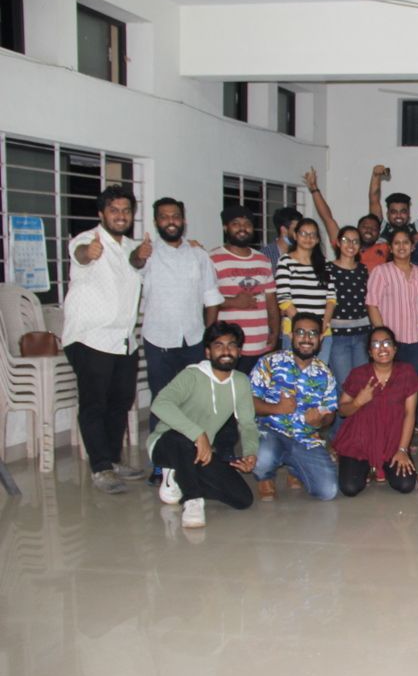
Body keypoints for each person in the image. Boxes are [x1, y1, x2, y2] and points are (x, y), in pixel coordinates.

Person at [63, 185, 145, 493]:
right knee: (94, 404)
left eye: (126, 210)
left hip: (123, 340)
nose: (121, 215)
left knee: (121, 401)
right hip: (90, 338)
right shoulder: (87, 239)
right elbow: (81, 255)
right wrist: (89, 253)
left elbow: (137, 261)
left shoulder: (132, 247)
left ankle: (113, 460)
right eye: (114, 210)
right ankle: (101, 468)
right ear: (101, 214)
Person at [149, 322, 259, 529]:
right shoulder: (192, 375)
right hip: (167, 444)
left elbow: (247, 424)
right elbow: (160, 404)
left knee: (242, 499)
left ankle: (179, 476)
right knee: (181, 439)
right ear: (208, 352)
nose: (226, 351)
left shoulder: (241, 382)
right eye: (219, 345)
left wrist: (250, 453)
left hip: (200, 452)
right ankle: (192, 500)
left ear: (239, 351)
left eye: (231, 345)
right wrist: (198, 434)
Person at [136, 197, 223, 445]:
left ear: (183, 220)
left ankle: (195, 453)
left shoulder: (198, 255)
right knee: (162, 400)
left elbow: (211, 297)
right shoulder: (148, 254)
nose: (171, 221)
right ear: (156, 222)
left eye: (175, 216)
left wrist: (208, 334)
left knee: (196, 400)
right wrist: (139, 256)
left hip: (194, 339)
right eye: (164, 217)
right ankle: (159, 456)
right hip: (158, 340)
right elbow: (135, 265)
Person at [249, 313, 339, 501]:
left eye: (312, 333)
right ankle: (265, 476)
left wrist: (320, 422)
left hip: (305, 438)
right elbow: (248, 402)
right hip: (271, 431)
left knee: (328, 491)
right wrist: (277, 408)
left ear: (321, 338)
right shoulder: (270, 362)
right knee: (263, 458)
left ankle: (295, 468)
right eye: (300, 332)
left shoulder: (325, 373)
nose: (306, 339)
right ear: (291, 335)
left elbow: (330, 412)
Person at [332, 326, 418, 496]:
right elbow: (342, 410)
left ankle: (379, 467)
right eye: (376, 344)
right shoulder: (358, 374)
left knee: (405, 485)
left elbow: (410, 414)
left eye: (387, 343)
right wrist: (358, 401)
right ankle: (368, 467)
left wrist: (402, 450)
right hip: (359, 441)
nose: (382, 348)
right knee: (350, 488)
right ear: (370, 352)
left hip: (392, 441)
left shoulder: (406, 373)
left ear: (395, 348)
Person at [210, 205, 279, 373]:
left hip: (261, 345)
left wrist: (275, 332)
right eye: (236, 223)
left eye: (247, 224)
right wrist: (233, 302)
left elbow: (271, 302)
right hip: (229, 348)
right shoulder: (212, 258)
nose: (242, 228)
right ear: (225, 227)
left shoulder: (263, 260)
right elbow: (203, 300)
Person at [365, 229, 418, 377]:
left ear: (412, 247)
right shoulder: (381, 272)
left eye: (406, 242)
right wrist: (383, 337)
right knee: (389, 384)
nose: (401, 246)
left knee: (412, 384)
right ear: (390, 248)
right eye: (397, 243)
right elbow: (372, 305)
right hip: (391, 342)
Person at [275, 217, 335, 363]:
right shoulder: (285, 261)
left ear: (317, 239)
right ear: (295, 236)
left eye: (312, 234)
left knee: (319, 373)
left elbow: (331, 298)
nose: (308, 238)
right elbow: (284, 299)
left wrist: (321, 327)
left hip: (322, 332)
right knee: (294, 373)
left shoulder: (325, 264)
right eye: (303, 233)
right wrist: (303, 328)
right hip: (295, 332)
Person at [325, 225, 371, 393]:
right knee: (344, 386)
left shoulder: (363, 270)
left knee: (362, 385)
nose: (351, 245)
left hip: (362, 335)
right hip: (338, 336)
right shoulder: (327, 269)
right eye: (346, 240)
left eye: (355, 241)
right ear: (337, 243)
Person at [369, 164, 418, 241]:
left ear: (409, 214)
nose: (398, 215)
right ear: (387, 214)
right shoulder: (381, 228)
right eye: (394, 212)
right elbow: (374, 201)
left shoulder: (416, 229)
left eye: (403, 211)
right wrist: (376, 176)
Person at [261, 205, 302, 270]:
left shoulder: (303, 252)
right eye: (296, 230)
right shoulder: (265, 255)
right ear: (283, 230)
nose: (301, 233)